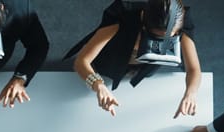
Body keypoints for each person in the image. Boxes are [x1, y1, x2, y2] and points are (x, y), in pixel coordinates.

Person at [64, 0, 201, 117]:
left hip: (146, 67)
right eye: (156, 37)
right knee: (103, 69)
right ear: (142, 19)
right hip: (113, 58)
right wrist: (98, 85)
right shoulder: (123, 16)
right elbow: (82, 61)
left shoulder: (179, 19)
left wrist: (190, 93)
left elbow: (194, 68)